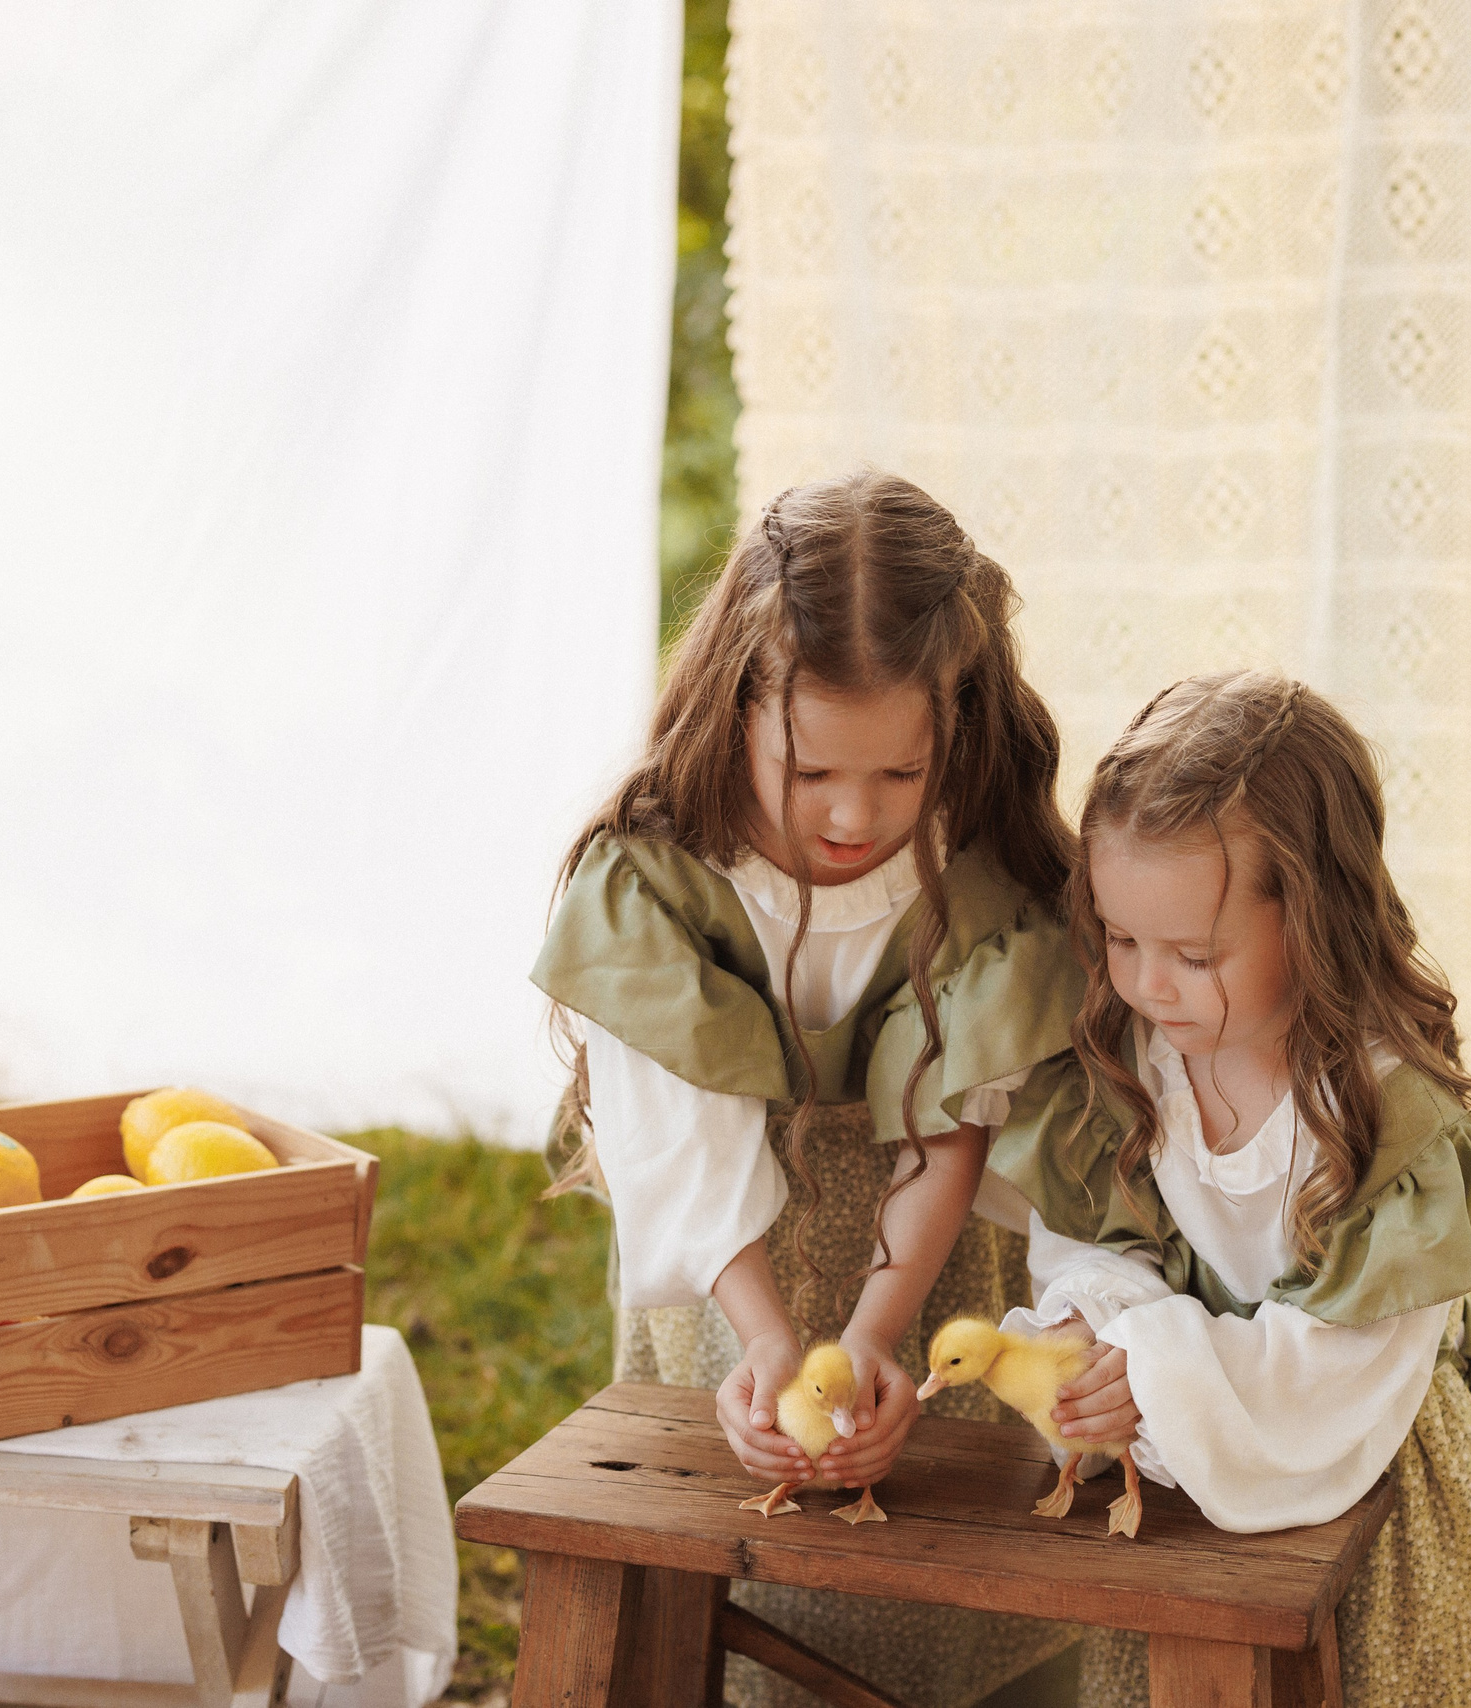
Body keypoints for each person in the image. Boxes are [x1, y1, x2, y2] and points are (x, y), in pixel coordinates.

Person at [532, 468, 1085, 1707]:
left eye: (900, 775)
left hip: (926, 1265)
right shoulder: (660, 885)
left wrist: (879, 1337)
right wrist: (773, 1342)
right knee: (743, 1568)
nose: (853, 814)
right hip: (742, 1265)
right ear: (738, 709)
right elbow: (688, 1139)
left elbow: (948, 1127)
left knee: (942, 1573)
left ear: (955, 727)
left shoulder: (976, 879)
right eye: (812, 770)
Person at [990, 670, 1471, 1708]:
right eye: (1121, 940)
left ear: (1310, 920)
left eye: (1194, 953)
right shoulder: (1138, 1058)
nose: (1147, 982)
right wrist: (1095, 1325)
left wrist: (1161, 1368)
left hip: (1363, 1473)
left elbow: (1346, 1362)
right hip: (1188, 1464)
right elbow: (1095, 1239)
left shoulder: (1380, 1114)